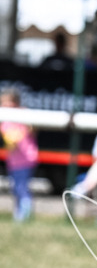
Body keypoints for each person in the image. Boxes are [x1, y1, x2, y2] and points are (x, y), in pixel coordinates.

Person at [1, 87, 39, 221]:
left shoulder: (24, 114)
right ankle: (19, 213)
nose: (5, 105)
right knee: (16, 188)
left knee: (22, 187)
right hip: (13, 161)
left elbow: (32, 129)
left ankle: (25, 213)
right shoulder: (5, 119)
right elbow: (9, 139)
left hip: (27, 158)